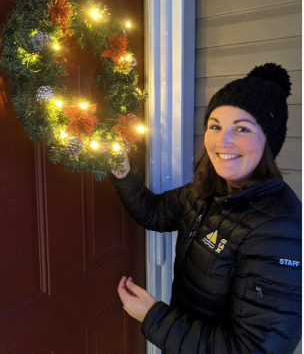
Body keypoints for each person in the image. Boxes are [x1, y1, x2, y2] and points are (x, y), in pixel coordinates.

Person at [110, 63, 302, 353]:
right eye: (215, 126)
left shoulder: (278, 228)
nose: (222, 141)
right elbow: (154, 212)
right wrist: (123, 174)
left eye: (242, 128)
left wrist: (153, 317)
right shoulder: (207, 189)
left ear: (268, 142)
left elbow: (254, 348)